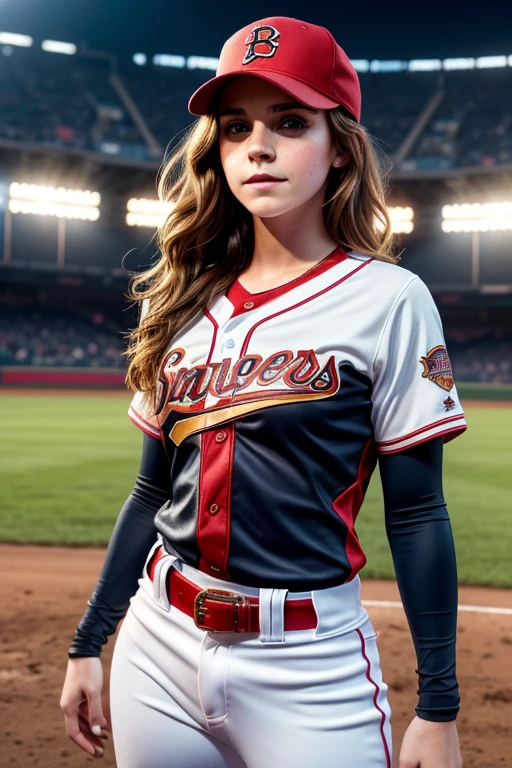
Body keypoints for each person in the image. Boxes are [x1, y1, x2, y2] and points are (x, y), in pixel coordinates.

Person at [60, 16, 467, 768]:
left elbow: (416, 512)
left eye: (290, 122)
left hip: (309, 666)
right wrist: (91, 641)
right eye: (236, 125)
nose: (259, 145)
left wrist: (438, 705)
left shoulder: (389, 298)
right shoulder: (176, 299)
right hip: (157, 645)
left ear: (339, 145)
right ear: (215, 147)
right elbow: (151, 493)